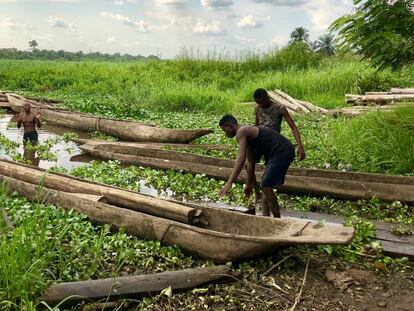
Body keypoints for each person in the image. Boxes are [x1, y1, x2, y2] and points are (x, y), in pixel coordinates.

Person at [218, 115, 295, 218]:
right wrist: (250, 185)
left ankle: (277, 219)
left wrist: (229, 183)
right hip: (275, 153)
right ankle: (265, 217)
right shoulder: (247, 138)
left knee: (265, 185)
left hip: (282, 151)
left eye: (224, 130)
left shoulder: (242, 131)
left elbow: (240, 159)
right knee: (265, 185)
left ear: (230, 126)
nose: (225, 133)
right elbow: (249, 163)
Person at [251, 88, 305, 203]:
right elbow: (255, 127)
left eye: (261, 102)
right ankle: (256, 193)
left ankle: (266, 195)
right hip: (260, 142)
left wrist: (300, 146)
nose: (260, 105)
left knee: (267, 177)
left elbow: (293, 127)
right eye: (258, 103)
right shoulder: (257, 108)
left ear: (267, 98)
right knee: (248, 165)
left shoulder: (279, 108)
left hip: (274, 144)